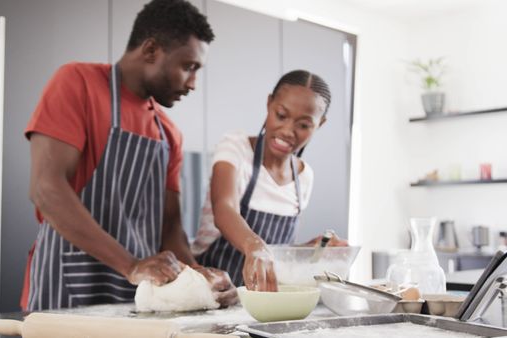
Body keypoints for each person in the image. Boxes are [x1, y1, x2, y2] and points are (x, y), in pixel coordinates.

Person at [21, 0, 236, 310]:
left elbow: (170, 229)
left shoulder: (168, 133)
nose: (193, 83)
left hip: (140, 292)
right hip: (68, 283)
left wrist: (200, 279)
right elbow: (46, 189)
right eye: (188, 66)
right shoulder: (77, 83)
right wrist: (132, 265)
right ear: (150, 50)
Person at [191, 70, 346, 292]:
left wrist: (309, 250)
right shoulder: (235, 148)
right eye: (281, 115)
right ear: (269, 103)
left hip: (263, 302)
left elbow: (276, 254)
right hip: (211, 293)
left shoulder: (304, 178)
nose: (288, 131)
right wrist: (254, 247)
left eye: (303, 125)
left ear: (320, 124)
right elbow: (224, 210)